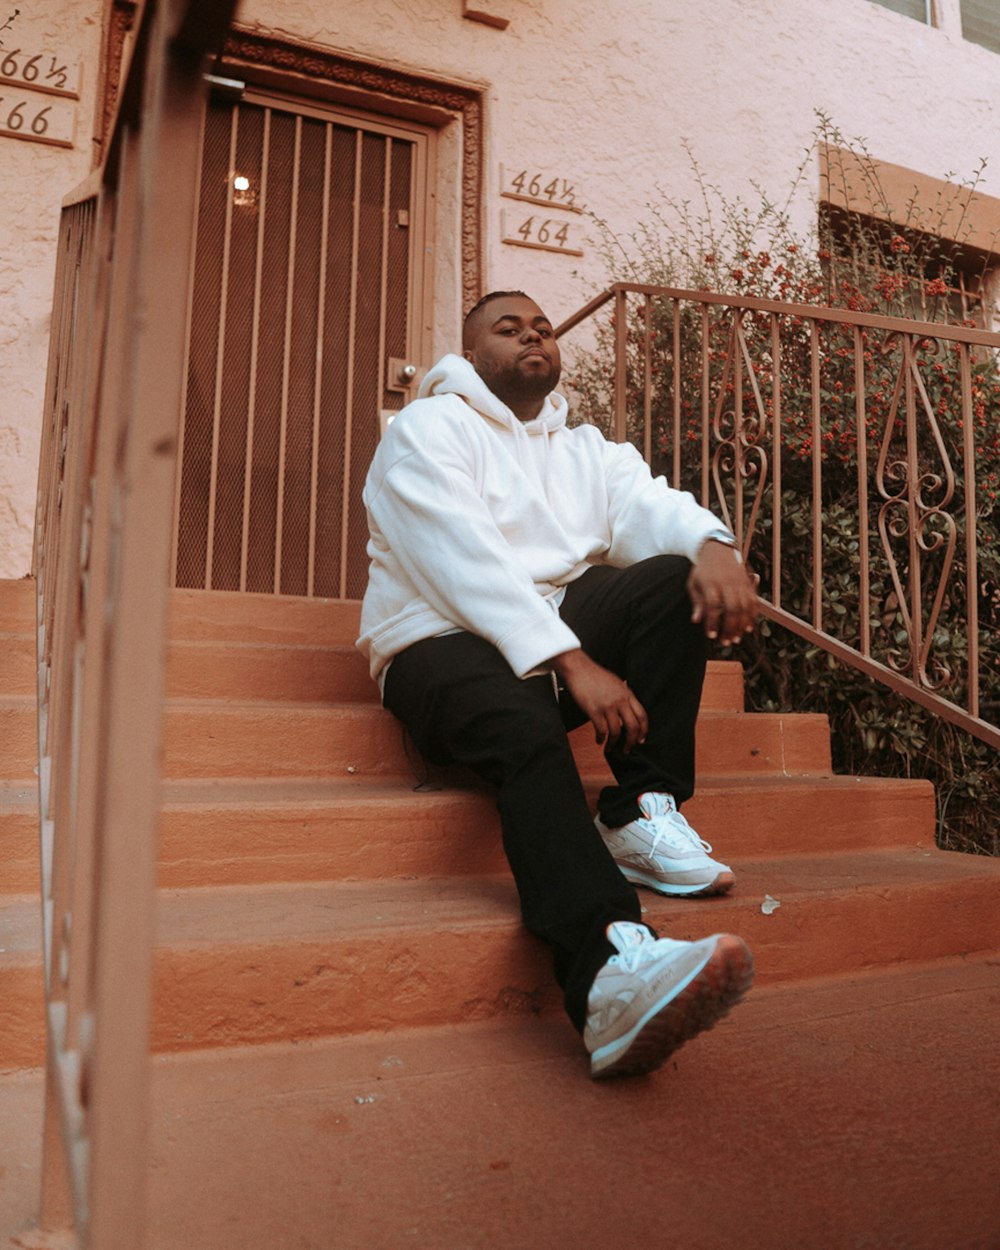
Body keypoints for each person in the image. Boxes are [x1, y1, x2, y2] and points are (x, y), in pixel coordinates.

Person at [357, 290, 759, 1079]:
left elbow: (648, 504)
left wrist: (713, 543)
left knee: (673, 579)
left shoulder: (584, 450)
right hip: (435, 645)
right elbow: (459, 558)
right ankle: (607, 969)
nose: (532, 336)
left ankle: (641, 810)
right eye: (508, 330)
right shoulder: (427, 430)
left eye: (541, 327)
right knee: (522, 727)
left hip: (544, 634)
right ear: (471, 357)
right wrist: (572, 664)